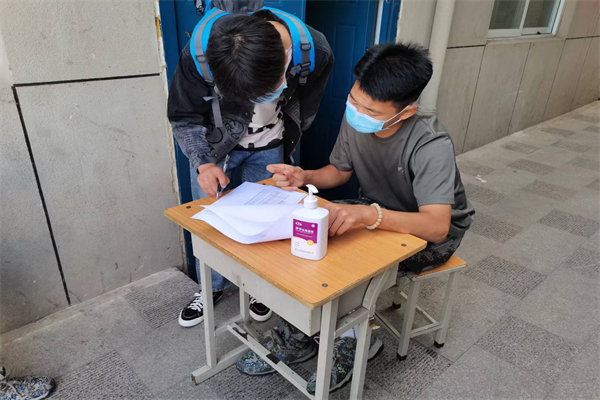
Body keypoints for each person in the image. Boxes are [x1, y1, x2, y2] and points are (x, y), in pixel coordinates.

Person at [236, 42, 475, 394]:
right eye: (354, 100)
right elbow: (339, 171)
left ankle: (355, 339)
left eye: (370, 110)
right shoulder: (356, 120)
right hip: (374, 209)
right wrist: (304, 176)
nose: (357, 112)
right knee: (310, 235)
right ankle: (301, 332)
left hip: (432, 234)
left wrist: (368, 215)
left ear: (406, 112)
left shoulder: (431, 144)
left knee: (348, 266)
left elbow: (436, 226)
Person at [167, 0, 334, 327]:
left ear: (284, 62)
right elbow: (184, 116)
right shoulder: (200, 52)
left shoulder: (315, 52)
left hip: (271, 146)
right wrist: (203, 163)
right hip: (214, 150)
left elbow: (306, 109)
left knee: (268, 221)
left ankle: (261, 287)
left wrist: (289, 147)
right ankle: (211, 287)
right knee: (211, 222)